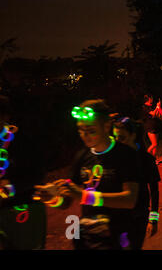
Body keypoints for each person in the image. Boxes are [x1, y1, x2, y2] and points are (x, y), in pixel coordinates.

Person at [35, 99, 142, 250]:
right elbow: (67, 200)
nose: (84, 135)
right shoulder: (81, 157)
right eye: (80, 130)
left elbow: (129, 199)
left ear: (106, 126)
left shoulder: (125, 155)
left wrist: (84, 196)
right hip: (90, 238)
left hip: (119, 237)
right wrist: (53, 198)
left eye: (91, 130)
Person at [0, 95, 46, 249]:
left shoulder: (22, 141)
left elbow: (37, 176)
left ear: (5, 116)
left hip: (22, 210)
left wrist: (11, 187)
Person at [113, 117, 161, 249]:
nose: (118, 142)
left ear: (133, 136)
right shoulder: (114, 159)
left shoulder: (146, 160)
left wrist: (153, 219)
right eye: (115, 138)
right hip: (118, 216)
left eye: (121, 138)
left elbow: (155, 191)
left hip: (138, 216)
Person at [141, 95, 162, 162]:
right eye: (151, 98)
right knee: (154, 144)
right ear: (149, 99)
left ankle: (154, 159)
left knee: (155, 145)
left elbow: (156, 114)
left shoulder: (151, 106)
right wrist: (157, 106)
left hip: (155, 126)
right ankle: (145, 157)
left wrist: (159, 108)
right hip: (150, 127)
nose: (152, 99)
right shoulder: (145, 107)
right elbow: (153, 114)